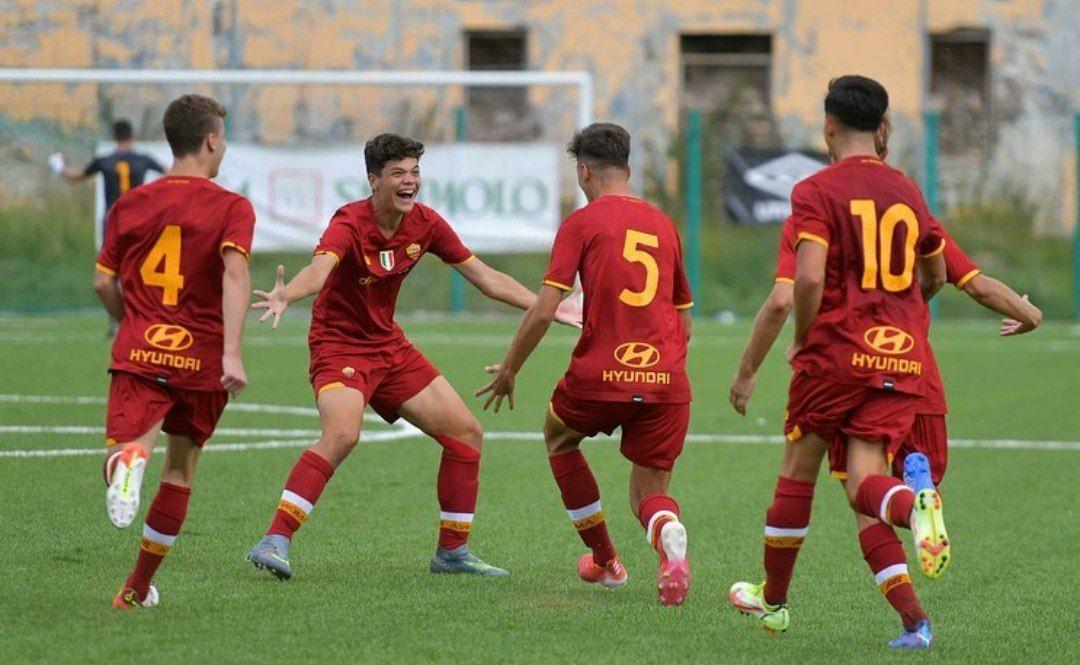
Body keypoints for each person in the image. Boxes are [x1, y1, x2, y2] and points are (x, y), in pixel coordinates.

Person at [245, 133, 582, 580]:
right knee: (343, 434)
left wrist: (550, 306)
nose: (410, 181)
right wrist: (289, 293)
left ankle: (452, 554)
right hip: (339, 347)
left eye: (415, 172)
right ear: (373, 180)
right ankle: (275, 539)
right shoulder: (348, 223)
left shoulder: (426, 224)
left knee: (466, 434)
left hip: (389, 348)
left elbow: (486, 278)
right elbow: (319, 271)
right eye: (399, 173)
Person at [726, 75, 950, 649]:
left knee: (798, 469)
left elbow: (805, 277)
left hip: (834, 358)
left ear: (827, 126)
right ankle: (915, 506)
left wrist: (804, 338)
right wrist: (902, 315)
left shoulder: (815, 190)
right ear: (881, 129)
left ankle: (773, 601)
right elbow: (937, 274)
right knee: (865, 487)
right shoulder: (907, 190)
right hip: (900, 360)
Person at [476, 123, 695, 605]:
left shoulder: (581, 223)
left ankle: (606, 562)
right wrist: (665, 372)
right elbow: (685, 318)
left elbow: (544, 307)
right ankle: (666, 529)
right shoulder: (663, 224)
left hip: (601, 374)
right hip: (666, 380)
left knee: (559, 436)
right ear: (630, 169)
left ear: (583, 171)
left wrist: (511, 368)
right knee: (649, 491)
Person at [94, 94, 255, 608]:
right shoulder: (232, 207)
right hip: (203, 355)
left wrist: (131, 324)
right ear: (211, 140)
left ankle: (129, 460)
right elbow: (234, 274)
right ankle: (136, 589)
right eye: (223, 138)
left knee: (130, 451)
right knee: (181, 470)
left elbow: (102, 282)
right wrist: (232, 352)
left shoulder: (131, 203)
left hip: (141, 350)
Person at [51, 119, 165, 335]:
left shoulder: (105, 160)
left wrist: (59, 167)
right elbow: (169, 174)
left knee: (110, 271)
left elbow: (77, 177)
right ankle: (144, 315)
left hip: (114, 222)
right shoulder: (142, 159)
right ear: (132, 135)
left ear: (115, 136)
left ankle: (116, 320)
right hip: (139, 221)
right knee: (139, 267)